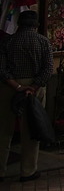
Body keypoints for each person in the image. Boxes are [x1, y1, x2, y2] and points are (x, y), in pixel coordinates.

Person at [0, 10, 52, 183]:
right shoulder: (43, 42)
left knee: (3, 130)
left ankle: (1, 170)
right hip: (34, 88)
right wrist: (33, 87)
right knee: (30, 130)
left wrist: (17, 86)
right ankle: (28, 170)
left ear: (19, 24)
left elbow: (2, 69)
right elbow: (47, 69)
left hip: (10, 87)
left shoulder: (8, 41)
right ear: (36, 25)